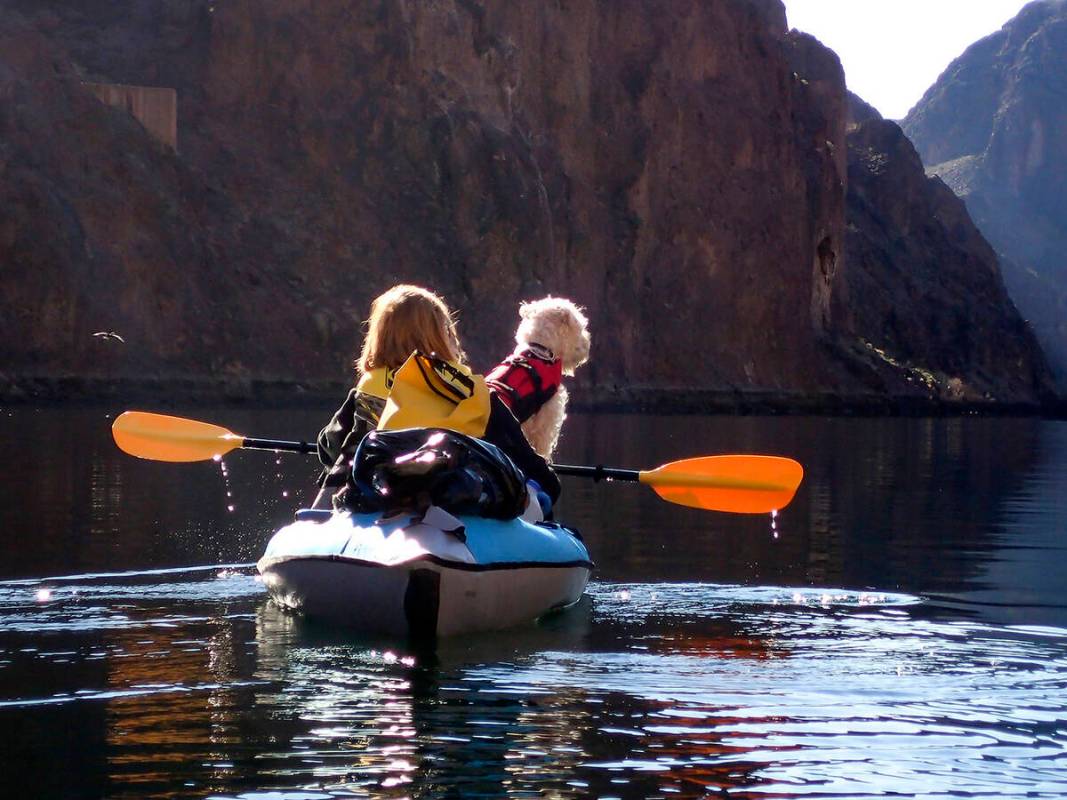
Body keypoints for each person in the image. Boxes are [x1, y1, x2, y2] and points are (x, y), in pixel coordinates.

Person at [316, 284, 561, 508]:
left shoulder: (370, 387)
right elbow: (535, 469)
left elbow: (330, 447)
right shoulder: (475, 394)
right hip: (453, 512)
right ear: (442, 335)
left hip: (375, 500)